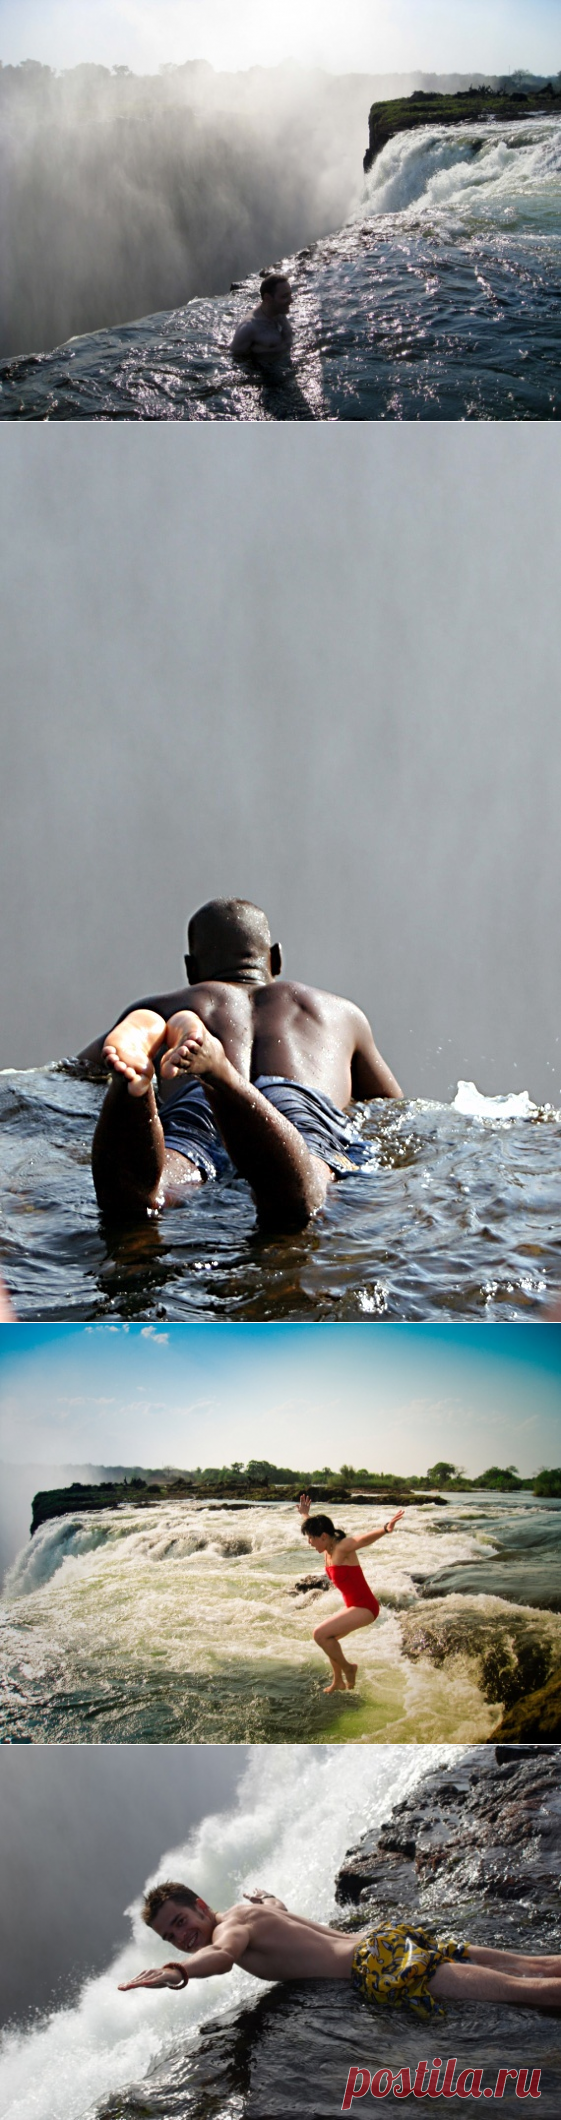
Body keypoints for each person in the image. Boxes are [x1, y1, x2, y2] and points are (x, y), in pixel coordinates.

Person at [80, 897, 403, 1234]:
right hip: (294, 1100)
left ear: (191, 970)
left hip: (194, 1096)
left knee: (146, 1195)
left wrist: (122, 1071)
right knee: (301, 1198)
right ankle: (223, 1077)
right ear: (275, 958)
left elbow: (72, 1069)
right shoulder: (338, 1012)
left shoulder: (166, 1005)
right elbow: (393, 1105)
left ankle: (135, 1088)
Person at [118, 1880, 561, 2018]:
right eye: (170, 1938)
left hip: (376, 1964)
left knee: (529, 1992)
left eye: (180, 1923)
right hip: (384, 1940)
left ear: (200, 1906)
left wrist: (179, 1970)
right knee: (533, 1966)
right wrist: (266, 1898)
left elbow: (224, 1957)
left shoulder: (226, 1931)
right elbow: (279, 1907)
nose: (182, 1937)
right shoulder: (246, 1913)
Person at [298, 1493, 404, 1693]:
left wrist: (385, 1528)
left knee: (320, 1634)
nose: (309, 1543)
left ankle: (349, 1668)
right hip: (354, 1606)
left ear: (323, 1537)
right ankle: (337, 1681)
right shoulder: (325, 1542)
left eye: (311, 1539)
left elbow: (361, 1540)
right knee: (330, 1640)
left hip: (365, 1607)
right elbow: (315, 1529)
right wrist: (306, 1515)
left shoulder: (341, 1547)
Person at [231, 275, 293, 360]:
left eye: (290, 295)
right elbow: (235, 359)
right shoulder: (249, 327)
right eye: (284, 296)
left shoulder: (279, 312)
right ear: (268, 298)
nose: (291, 301)